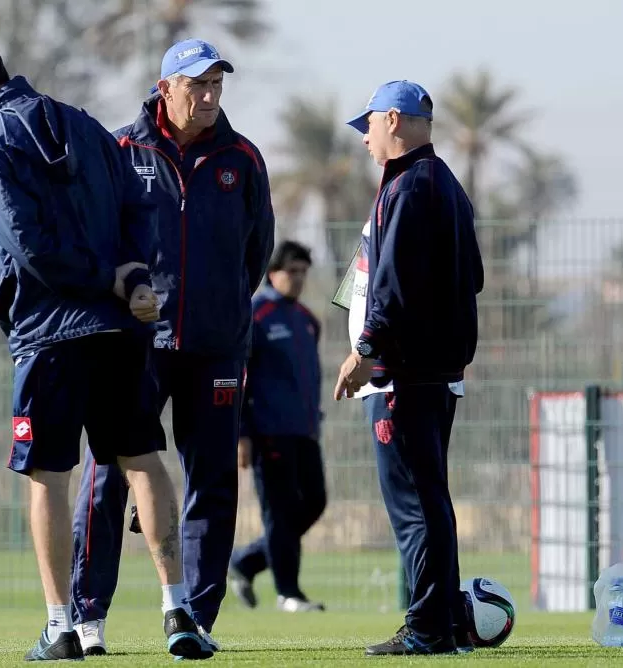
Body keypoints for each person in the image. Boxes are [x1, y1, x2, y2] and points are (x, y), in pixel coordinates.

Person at [0, 33, 212, 661]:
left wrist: (107, 276)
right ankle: (178, 608)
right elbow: (142, 204)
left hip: (50, 332)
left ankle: (60, 626)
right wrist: (133, 273)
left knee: (48, 475)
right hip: (118, 329)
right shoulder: (82, 123)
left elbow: (28, 245)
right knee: (141, 457)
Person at [69, 38, 274, 654]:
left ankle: (193, 620)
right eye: (197, 86)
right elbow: (95, 240)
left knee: (212, 482)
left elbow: (255, 253)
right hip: (134, 347)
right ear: (166, 89)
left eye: (216, 86)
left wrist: (222, 310)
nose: (209, 97)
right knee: (107, 477)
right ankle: (85, 618)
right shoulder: (120, 150)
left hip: (215, 348)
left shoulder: (243, 158)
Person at [333, 80, 484, 656]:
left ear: (393, 120)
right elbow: (471, 276)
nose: (365, 137)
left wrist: (365, 348)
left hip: (405, 372)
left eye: (368, 124)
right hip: (434, 369)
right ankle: (446, 621)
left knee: (416, 505)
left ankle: (427, 628)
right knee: (431, 498)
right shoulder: (442, 182)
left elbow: (392, 283)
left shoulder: (411, 184)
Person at [228, 241, 327, 613]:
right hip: (268, 432)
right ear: (273, 273)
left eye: (304, 272)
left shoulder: (307, 320)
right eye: (293, 271)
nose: (299, 279)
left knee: (315, 502)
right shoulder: (256, 314)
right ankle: (289, 593)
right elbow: (241, 379)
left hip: (304, 432)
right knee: (280, 511)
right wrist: (242, 434)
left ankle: (248, 561)